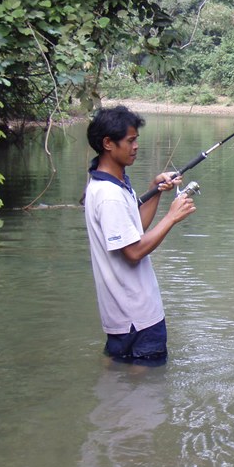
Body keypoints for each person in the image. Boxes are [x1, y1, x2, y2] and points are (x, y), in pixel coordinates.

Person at [84, 105, 196, 365]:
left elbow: (134, 232)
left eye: (136, 140)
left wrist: (155, 190)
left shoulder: (112, 183)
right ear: (108, 143)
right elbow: (133, 252)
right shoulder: (109, 197)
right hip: (137, 316)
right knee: (146, 389)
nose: (135, 147)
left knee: (118, 372)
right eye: (130, 141)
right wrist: (172, 217)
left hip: (124, 317)